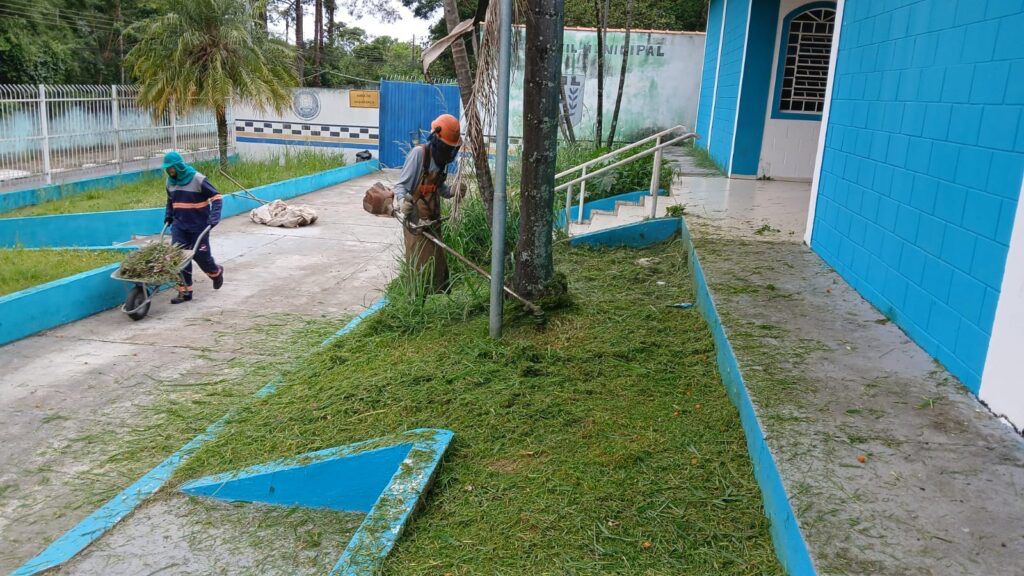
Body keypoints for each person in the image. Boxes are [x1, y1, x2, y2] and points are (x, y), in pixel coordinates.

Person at [392, 114, 463, 293]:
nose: (449, 152)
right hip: (416, 222)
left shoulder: (442, 162)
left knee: (438, 265)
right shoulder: (419, 154)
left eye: (451, 149)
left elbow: (439, 189)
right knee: (420, 266)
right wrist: (401, 202)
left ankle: (438, 299)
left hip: (433, 220)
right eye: (447, 147)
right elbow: (401, 185)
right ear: (437, 139)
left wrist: (453, 192)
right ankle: (417, 302)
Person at [162, 151, 224, 304]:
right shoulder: (170, 182)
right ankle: (185, 292)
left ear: (179, 166)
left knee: (201, 256)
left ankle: (215, 272)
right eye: (167, 169)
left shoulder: (198, 179)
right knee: (180, 257)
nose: (169, 171)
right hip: (179, 225)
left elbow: (216, 197)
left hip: (199, 225)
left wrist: (214, 217)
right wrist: (169, 216)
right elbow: (170, 201)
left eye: (171, 168)